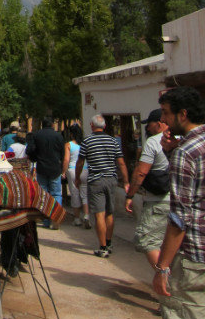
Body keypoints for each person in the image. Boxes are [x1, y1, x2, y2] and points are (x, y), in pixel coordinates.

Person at [152, 87, 205, 319]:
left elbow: (179, 219)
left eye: (167, 114)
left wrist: (163, 267)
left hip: (195, 253)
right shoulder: (186, 148)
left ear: (183, 115)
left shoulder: (187, 152)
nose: (163, 121)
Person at [75, 114, 129, 258]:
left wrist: (77, 178)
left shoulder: (87, 142)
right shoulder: (113, 141)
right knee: (110, 213)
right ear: (104, 126)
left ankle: (103, 246)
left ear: (92, 126)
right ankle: (109, 242)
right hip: (111, 179)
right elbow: (121, 162)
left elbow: (80, 162)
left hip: (95, 180)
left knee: (99, 214)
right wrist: (126, 181)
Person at [125, 109, 170, 270]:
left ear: (158, 123)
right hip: (180, 200)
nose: (147, 129)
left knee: (147, 240)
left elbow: (141, 172)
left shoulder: (153, 142)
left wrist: (130, 195)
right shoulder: (185, 139)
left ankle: (165, 277)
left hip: (157, 201)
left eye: (149, 125)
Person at [25, 118, 65, 229]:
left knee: (44, 194)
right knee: (56, 193)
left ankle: (46, 219)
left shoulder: (37, 135)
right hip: (55, 167)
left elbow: (30, 150)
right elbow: (62, 152)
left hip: (42, 167)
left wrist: (34, 159)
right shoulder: (58, 136)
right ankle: (56, 217)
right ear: (52, 124)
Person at [62, 123, 90, 228]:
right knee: (85, 194)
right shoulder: (85, 143)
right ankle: (87, 215)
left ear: (71, 134)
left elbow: (66, 159)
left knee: (74, 193)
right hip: (85, 169)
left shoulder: (69, 145)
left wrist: (63, 171)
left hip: (73, 170)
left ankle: (77, 218)